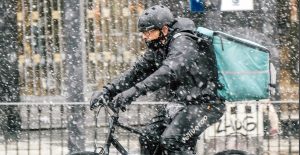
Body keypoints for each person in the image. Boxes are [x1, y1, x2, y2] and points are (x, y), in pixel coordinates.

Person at [90, 5, 225, 155]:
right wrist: (107, 90)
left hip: (206, 105)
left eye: (149, 32)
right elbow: (135, 73)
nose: (144, 36)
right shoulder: (159, 47)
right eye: (143, 33)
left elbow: (169, 71)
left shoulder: (184, 42)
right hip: (181, 104)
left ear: (165, 29)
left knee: (172, 141)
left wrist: (134, 92)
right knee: (149, 137)